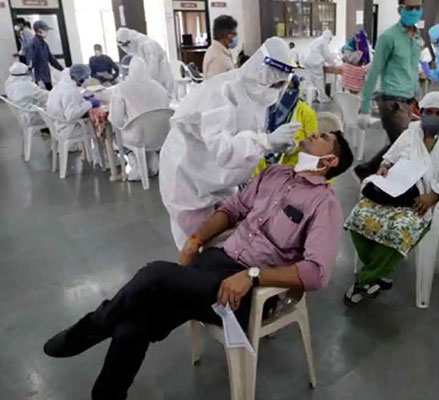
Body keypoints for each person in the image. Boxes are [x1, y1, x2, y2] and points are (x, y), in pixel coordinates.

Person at [43, 130, 354, 400]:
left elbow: (317, 273)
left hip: (249, 292)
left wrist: (253, 275)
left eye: (323, 137)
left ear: (330, 161)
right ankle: (106, 395)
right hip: (215, 265)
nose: (314, 134)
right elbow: (232, 209)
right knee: (135, 318)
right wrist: (197, 238)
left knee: (154, 276)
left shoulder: (324, 204)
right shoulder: (275, 174)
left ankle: (93, 326)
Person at [159, 37, 302, 249]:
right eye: (275, 84)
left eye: (281, 85)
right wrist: (267, 142)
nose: (276, 90)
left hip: (216, 178)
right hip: (188, 178)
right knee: (198, 244)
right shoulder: (221, 93)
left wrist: (270, 145)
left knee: (225, 234)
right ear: (261, 72)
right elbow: (223, 151)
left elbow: (242, 134)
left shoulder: (253, 94)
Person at [344, 92, 439, 305]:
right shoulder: (412, 132)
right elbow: (391, 156)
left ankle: (366, 279)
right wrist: (385, 166)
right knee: (358, 217)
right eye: (429, 112)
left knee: (398, 228)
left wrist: (434, 196)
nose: (433, 117)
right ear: (420, 113)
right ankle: (382, 272)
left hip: (421, 200)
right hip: (394, 190)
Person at [354, 0, 424, 181]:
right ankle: (375, 173)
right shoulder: (388, 37)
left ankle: (368, 170)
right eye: (410, 8)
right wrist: (365, 106)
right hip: (391, 100)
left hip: (408, 100)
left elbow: (413, 69)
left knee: (400, 144)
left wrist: (418, 98)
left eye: (418, 8)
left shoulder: (417, 39)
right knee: (404, 144)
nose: (414, 11)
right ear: (400, 9)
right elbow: (374, 71)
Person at [108, 57, 170, 181]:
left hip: (137, 136)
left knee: (115, 138)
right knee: (147, 137)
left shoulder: (121, 88)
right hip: (162, 135)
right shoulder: (159, 87)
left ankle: (136, 165)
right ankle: (152, 162)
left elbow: (116, 120)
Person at [254, 75, 319, 175]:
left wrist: (297, 147)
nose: (283, 91)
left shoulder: (306, 113)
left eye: (289, 88)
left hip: (292, 175)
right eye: (277, 86)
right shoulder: (256, 110)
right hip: (257, 175)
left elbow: (313, 152)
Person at [116, 28, 175, 98]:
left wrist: (145, 83)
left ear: (129, 42)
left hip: (161, 75)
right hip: (153, 80)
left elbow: (153, 68)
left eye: (125, 45)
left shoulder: (148, 45)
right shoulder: (137, 47)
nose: (125, 49)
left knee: (163, 96)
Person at [46, 64, 94, 143]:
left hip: (57, 125)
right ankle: (101, 150)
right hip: (68, 129)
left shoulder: (61, 85)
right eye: (87, 76)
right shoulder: (71, 90)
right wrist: (89, 104)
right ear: (81, 78)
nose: (89, 78)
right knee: (98, 126)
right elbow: (71, 115)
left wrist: (81, 98)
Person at [4, 62, 49, 127]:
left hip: (21, 113)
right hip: (32, 116)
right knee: (56, 111)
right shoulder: (28, 85)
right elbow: (46, 96)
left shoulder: (9, 83)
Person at [25, 20, 64, 90]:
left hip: (46, 75)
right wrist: (32, 77)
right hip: (38, 77)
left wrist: (62, 69)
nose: (47, 32)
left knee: (50, 92)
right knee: (43, 94)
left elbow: (51, 58)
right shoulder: (32, 44)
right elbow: (30, 62)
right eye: (45, 30)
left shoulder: (44, 44)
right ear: (39, 31)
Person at [302, 29, 338, 103]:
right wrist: (333, 62)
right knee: (319, 80)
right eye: (330, 39)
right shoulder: (324, 41)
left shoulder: (316, 40)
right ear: (329, 37)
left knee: (311, 81)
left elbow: (319, 53)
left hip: (307, 61)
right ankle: (322, 97)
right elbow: (327, 55)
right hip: (315, 63)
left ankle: (312, 97)